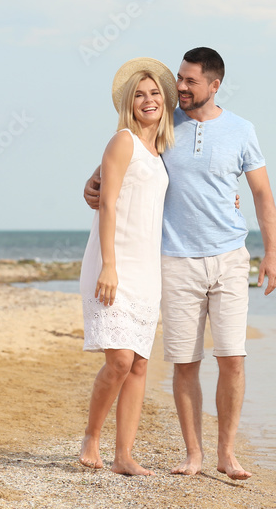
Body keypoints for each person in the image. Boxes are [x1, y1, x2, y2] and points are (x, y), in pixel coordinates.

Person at [84, 46, 276, 481]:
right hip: (173, 260)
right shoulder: (164, 123)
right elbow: (120, 163)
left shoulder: (242, 130)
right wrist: (91, 182)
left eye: (190, 81)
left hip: (230, 257)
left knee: (232, 357)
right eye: (179, 78)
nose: (181, 88)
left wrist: (271, 254)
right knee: (184, 362)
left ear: (215, 85)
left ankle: (226, 454)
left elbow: (262, 195)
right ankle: (194, 454)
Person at [78, 58, 176, 475]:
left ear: (166, 101)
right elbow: (109, 204)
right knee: (118, 361)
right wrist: (109, 265)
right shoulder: (123, 141)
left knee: (138, 364)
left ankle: (123, 457)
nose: (148, 100)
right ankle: (90, 439)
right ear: (128, 103)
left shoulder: (161, 152)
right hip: (113, 263)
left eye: (154, 93)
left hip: (146, 270)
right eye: (139, 94)